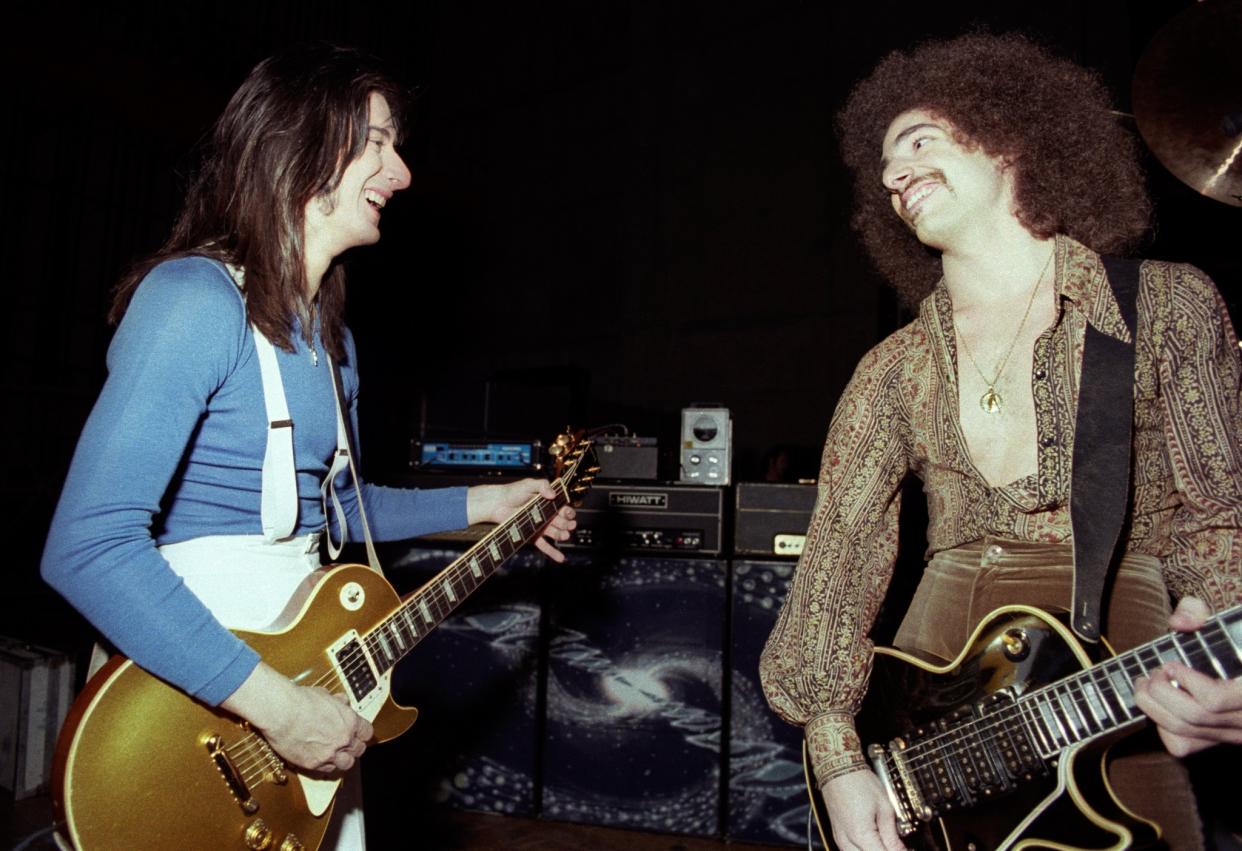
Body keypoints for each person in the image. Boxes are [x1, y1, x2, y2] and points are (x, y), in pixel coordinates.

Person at [40, 43, 575, 850]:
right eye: (380, 143)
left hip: (307, 676)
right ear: (299, 145)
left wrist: (488, 503)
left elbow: (334, 508)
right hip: (211, 696)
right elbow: (86, 545)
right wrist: (278, 708)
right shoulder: (191, 300)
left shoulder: (333, 340)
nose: (400, 175)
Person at [759, 32, 1242, 851]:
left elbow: (1218, 518)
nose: (891, 172)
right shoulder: (892, 369)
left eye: (918, 140)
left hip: (1114, 696)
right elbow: (836, 568)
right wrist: (839, 761)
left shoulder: (1164, 306)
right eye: (881, 162)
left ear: (1010, 139)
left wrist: (1220, 649)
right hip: (923, 717)